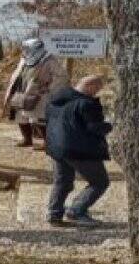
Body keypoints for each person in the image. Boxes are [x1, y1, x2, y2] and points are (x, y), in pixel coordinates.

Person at [45, 75, 113, 228]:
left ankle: (54, 213)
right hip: (80, 149)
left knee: (62, 181)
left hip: (56, 148)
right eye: (97, 88)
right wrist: (110, 125)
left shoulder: (55, 99)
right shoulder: (87, 104)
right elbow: (95, 128)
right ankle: (77, 210)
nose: (97, 93)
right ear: (89, 87)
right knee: (100, 182)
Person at [4, 38, 68, 148]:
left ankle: (47, 143)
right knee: (20, 117)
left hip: (39, 94)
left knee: (38, 118)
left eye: (27, 48)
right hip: (21, 91)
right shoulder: (24, 59)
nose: (25, 50)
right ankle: (27, 139)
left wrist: (49, 88)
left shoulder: (49, 60)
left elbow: (62, 77)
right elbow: (17, 74)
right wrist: (12, 88)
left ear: (36, 48)